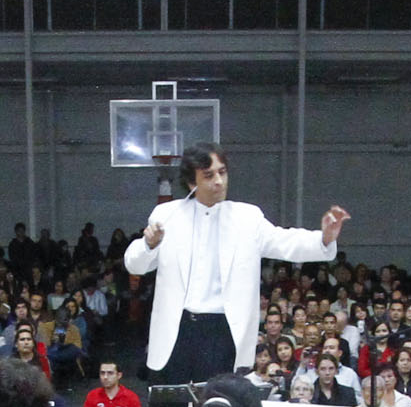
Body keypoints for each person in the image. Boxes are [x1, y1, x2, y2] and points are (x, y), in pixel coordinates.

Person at [124, 144, 350, 389]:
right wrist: (148, 244)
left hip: (223, 330)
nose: (219, 181)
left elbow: (285, 241)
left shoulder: (247, 218)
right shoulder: (166, 214)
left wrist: (324, 238)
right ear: (191, 183)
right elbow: (135, 265)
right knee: (168, 404)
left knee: (218, 404)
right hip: (176, 328)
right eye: (208, 175)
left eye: (222, 172)